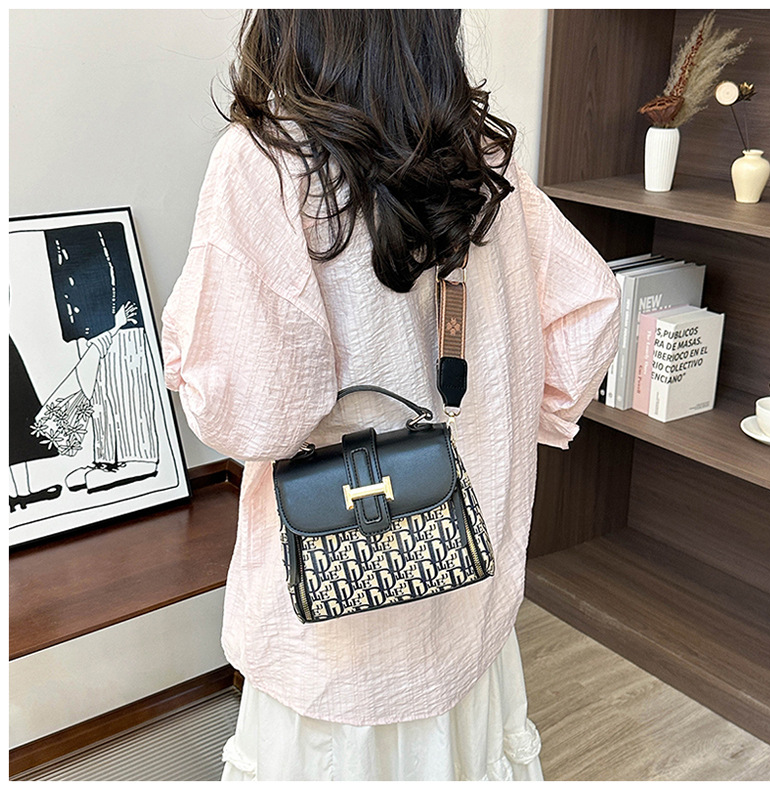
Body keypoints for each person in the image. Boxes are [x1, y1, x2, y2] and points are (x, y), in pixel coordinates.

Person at [161, 9, 619, 781]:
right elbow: (589, 308)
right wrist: (503, 425)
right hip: (465, 586)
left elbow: (251, 412)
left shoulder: (267, 160)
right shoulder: (480, 158)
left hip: (337, 632)